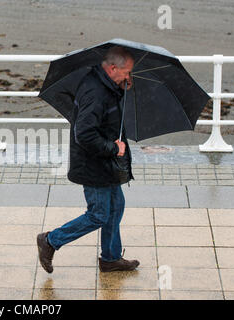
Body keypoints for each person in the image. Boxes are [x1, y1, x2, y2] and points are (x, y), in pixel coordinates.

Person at [37, 46, 139, 273]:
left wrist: (122, 88)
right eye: (126, 72)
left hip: (104, 163)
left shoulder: (107, 84)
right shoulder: (95, 91)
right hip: (93, 164)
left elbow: (106, 115)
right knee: (98, 214)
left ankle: (111, 258)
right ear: (113, 68)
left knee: (116, 206)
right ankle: (50, 240)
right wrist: (113, 148)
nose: (128, 76)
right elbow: (84, 134)